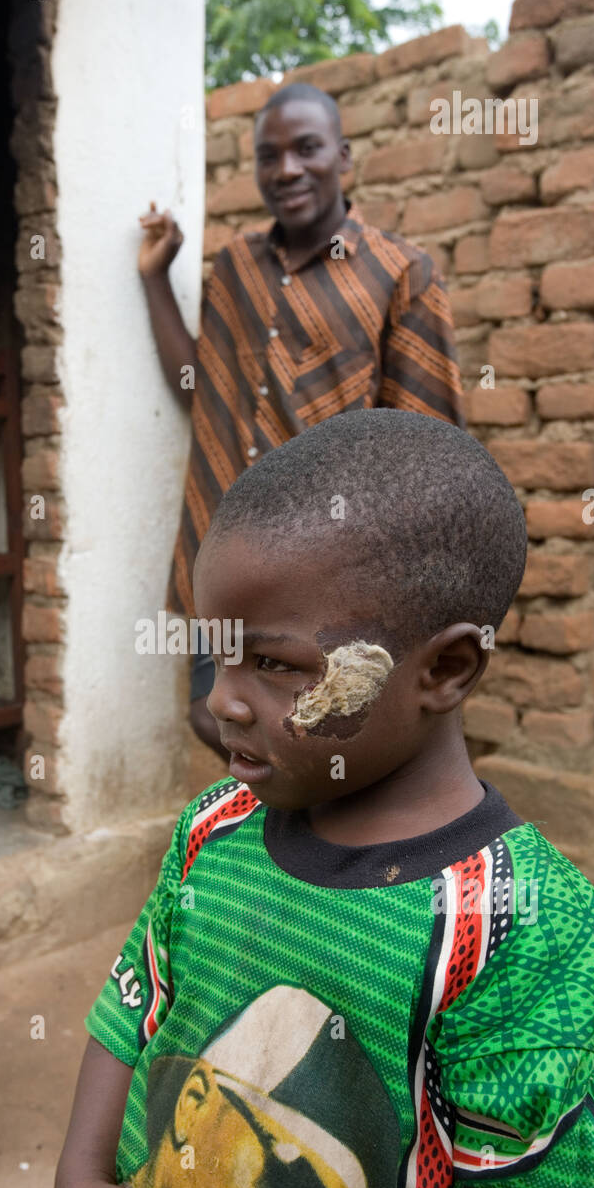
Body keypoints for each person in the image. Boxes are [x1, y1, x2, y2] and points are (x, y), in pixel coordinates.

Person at [54, 408, 594, 1188]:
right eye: (216, 657)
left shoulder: (516, 923)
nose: (224, 704)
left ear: (445, 671)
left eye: (276, 665)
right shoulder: (216, 824)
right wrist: (81, 1186)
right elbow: (136, 997)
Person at [138, 83, 465, 758]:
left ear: (342, 155)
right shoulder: (234, 267)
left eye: (306, 148)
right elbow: (196, 384)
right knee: (217, 716)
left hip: (328, 568)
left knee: (316, 736)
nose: (286, 169)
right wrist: (154, 280)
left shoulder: (400, 273)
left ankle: (320, 858)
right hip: (225, 547)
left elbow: (431, 451)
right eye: (268, 155)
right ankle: (291, 854)